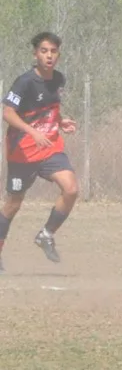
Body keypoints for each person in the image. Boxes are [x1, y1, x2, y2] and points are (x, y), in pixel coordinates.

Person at [0, 32, 79, 271]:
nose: (49, 56)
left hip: (49, 147)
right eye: (44, 51)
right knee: (13, 204)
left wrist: (61, 121)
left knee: (71, 189)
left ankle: (46, 234)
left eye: (53, 51)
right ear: (35, 54)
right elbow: (7, 113)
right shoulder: (24, 82)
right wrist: (31, 132)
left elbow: (49, 109)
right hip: (22, 152)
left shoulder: (59, 79)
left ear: (58, 54)